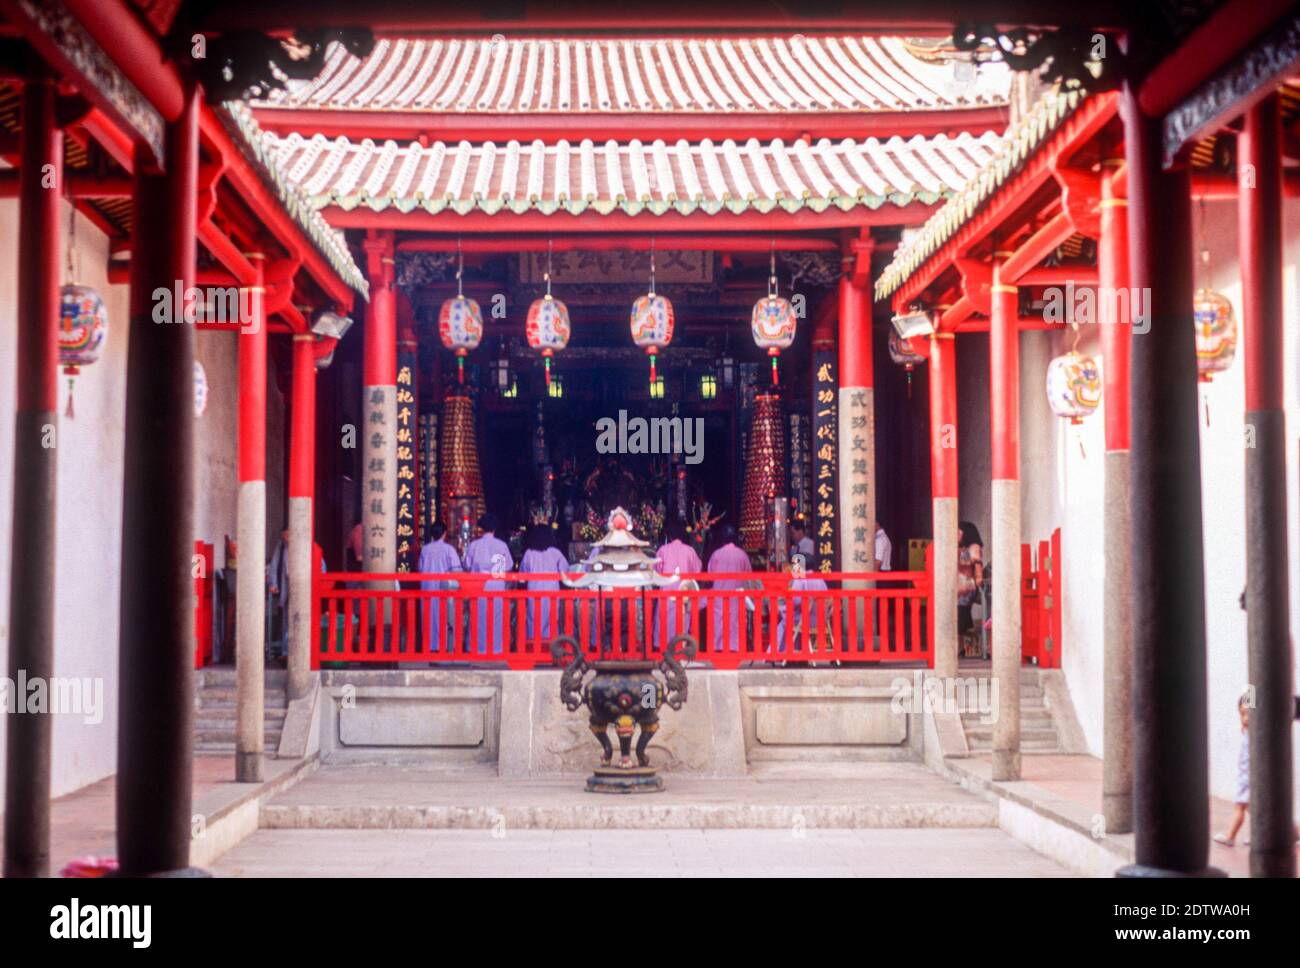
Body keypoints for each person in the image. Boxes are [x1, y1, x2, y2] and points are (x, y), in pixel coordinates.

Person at [462, 513, 513, 655]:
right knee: (497, 617)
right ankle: (497, 649)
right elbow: (508, 565)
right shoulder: (501, 545)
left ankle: (476, 648)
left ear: (481, 528)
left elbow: (466, 564)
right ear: (494, 528)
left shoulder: (474, 545)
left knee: (477, 616)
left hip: (478, 584)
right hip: (496, 583)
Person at [654, 520, 702, 646]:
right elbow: (697, 570)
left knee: (664, 623)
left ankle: (663, 651)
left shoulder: (663, 550)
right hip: (684, 593)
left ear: (669, 536)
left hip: (667, 594)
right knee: (682, 622)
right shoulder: (690, 550)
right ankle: (681, 649)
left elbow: (656, 572)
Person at [519, 524, 570, 643]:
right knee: (552, 617)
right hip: (551, 587)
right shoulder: (555, 553)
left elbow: (523, 573)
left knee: (534, 617)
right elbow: (565, 569)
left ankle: (533, 642)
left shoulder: (529, 553)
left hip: (534, 588)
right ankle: (552, 643)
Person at [706, 525, 751, 653]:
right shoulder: (742, 555)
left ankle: (718, 649)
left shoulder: (716, 554)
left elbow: (710, 575)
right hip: (737, 598)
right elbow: (749, 575)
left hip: (719, 597)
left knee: (719, 624)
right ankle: (736, 649)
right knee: (736, 625)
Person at [775, 553, 830, 658]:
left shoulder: (800, 579)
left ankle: (781, 653)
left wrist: (782, 607)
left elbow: (795, 601)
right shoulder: (820, 579)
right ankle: (796, 651)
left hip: (806, 619)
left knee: (784, 622)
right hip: (821, 619)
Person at [418, 523, 461, 653]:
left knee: (428, 617)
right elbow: (457, 571)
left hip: (427, 587)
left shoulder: (425, 549)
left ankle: (429, 646)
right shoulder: (449, 549)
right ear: (444, 533)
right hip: (444, 588)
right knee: (444, 617)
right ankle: (444, 645)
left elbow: (420, 569)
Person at [957, 520, 984, 658]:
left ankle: (960, 648)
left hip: (966, 585)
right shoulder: (963, 549)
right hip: (961, 585)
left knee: (960, 613)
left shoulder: (972, 548)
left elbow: (972, 564)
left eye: (959, 531)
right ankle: (960, 648)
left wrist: (978, 578)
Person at [266, 527, 291, 659]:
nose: (287, 538)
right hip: (286, 586)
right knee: (286, 620)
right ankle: (286, 651)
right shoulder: (281, 547)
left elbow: (321, 566)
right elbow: (274, 565)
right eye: (285, 536)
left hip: (302, 587)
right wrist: (273, 583)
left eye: (289, 535)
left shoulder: (307, 545)